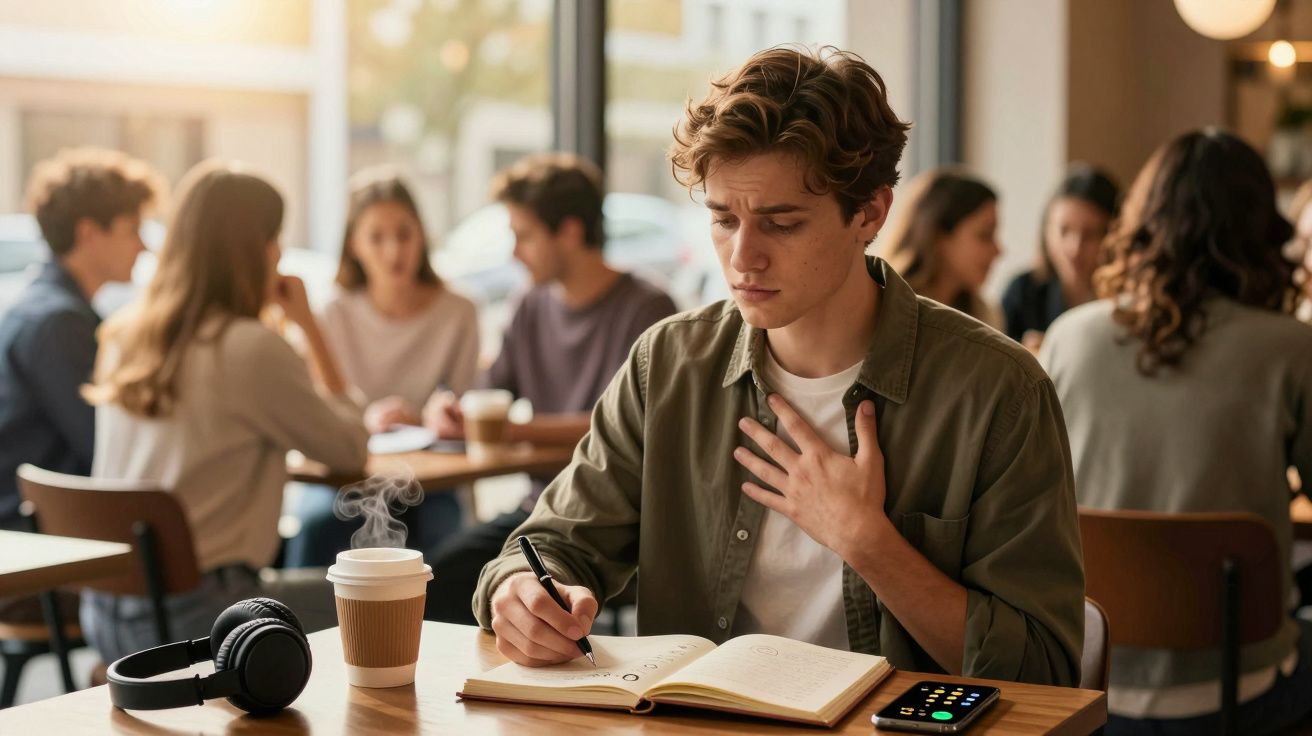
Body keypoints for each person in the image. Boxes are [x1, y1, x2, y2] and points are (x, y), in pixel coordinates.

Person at [472, 46, 1084, 685]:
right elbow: (549, 547)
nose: (743, 257)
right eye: (721, 218)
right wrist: (520, 592)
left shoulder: (998, 392)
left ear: (871, 212)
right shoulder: (668, 366)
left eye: (781, 223)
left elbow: (1044, 670)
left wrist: (867, 543)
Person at [1042, 129, 1312, 735]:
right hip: (1240, 679)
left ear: (1143, 220)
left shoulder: (1069, 336)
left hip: (1088, 674)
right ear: (1259, 227)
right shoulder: (1291, 348)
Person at [81, 160, 368, 662]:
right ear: (257, 248)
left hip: (107, 611)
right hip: (204, 616)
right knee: (381, 596)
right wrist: (309, 326)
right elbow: (349, 451)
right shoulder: (249, 348)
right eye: (275, 239)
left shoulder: (125, 335)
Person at [420, 152, 677, 624]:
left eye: (524, 236)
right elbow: (490, 392)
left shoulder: (647, 309)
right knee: (435, 582)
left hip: (613, 525)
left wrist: (511, 431)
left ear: (571, 232)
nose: (514, 253)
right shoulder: (530, 304)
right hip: (538, 513)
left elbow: (620, 432)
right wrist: (451, 413)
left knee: (455, 586)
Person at [0, 148, 163, 631]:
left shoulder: (42, 307)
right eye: (132, 229)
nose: (144, 247)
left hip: (33, 537)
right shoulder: (59, 325)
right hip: (38, 555)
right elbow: (107, 449)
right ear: (89, 233)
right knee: (198, 576)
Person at [283, 170, 479, 567]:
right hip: (343, 478)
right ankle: (296, 630)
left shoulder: (459, 312)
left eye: (404, 234)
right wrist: (365, 422)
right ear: (354, 244)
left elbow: (466, 415)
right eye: (376, 237)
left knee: (449, 543)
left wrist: (434, 417)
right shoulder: (329, 315)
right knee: (316, 528)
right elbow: (314, 419)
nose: (394, 252)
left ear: (422, 235)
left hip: (433, 482)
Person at [1001, 164, 1119, 347]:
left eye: (1090, 234)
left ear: (1114, 235)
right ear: (1046, 231)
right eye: (1063, 231)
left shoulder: (1129, 296)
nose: (1075, 248)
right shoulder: (1022, 292)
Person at [879, 168, 1002, 328]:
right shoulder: (885, 307)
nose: (998, 250)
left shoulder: (985, 314)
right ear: (938, 236)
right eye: (984, 235)